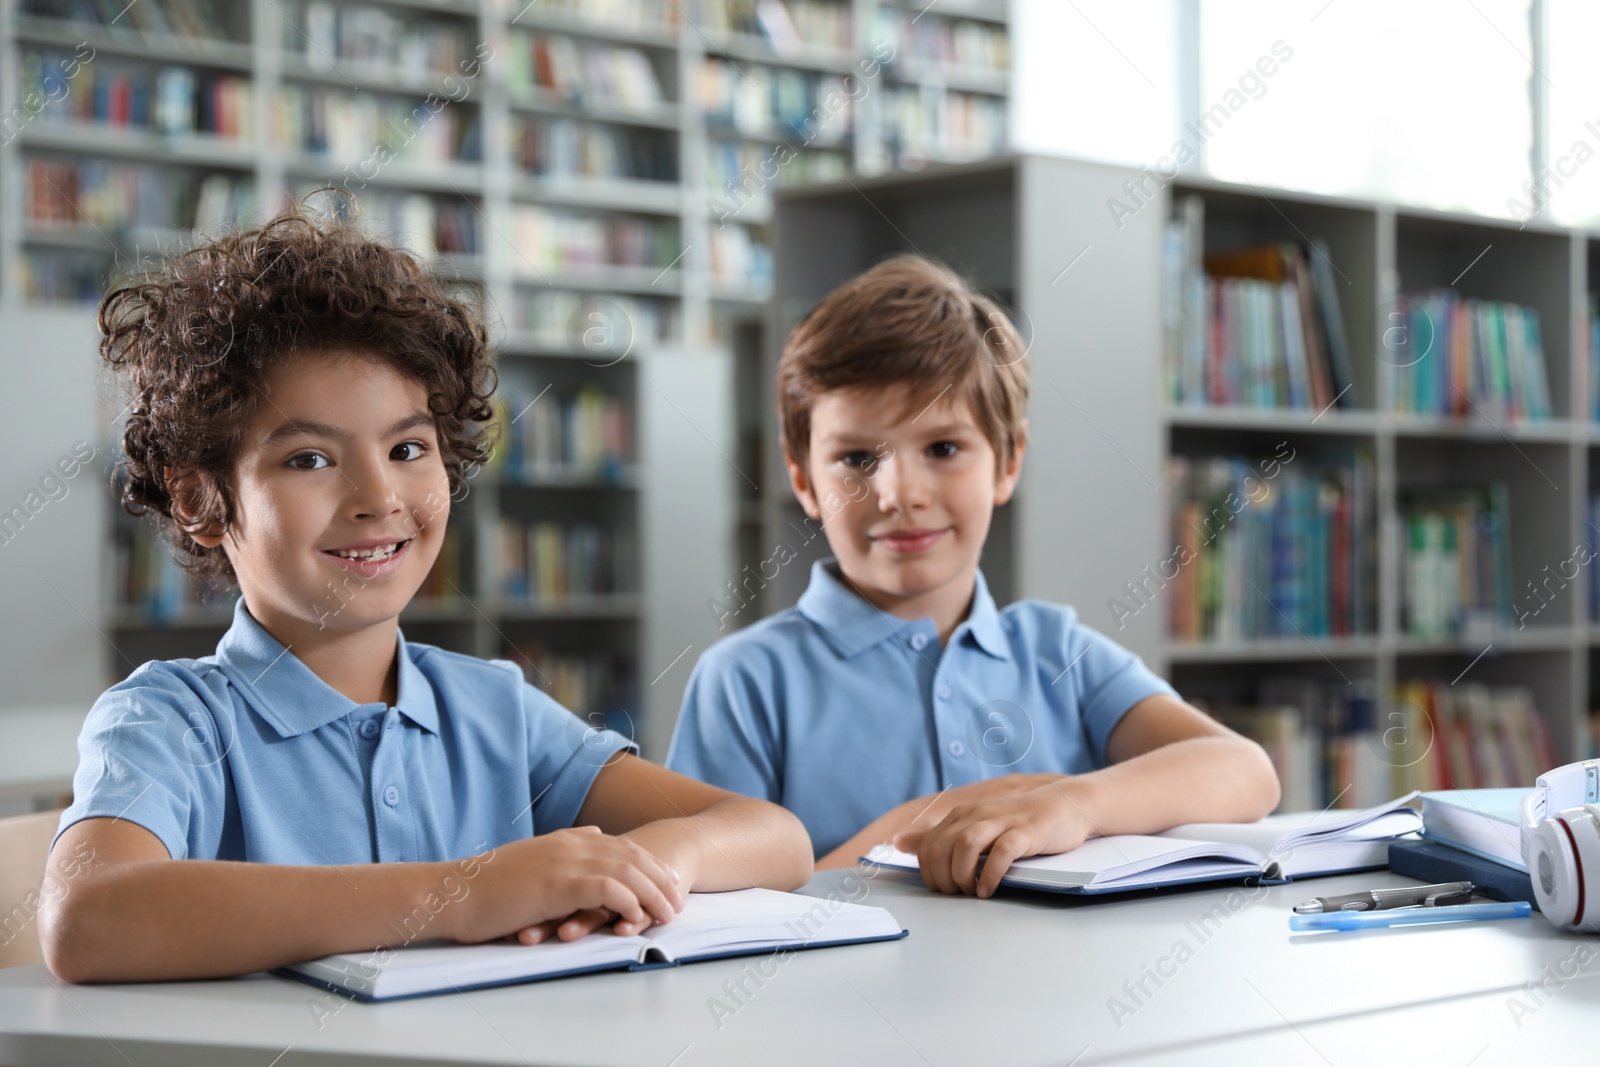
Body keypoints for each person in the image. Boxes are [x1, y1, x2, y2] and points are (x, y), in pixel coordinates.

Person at [40, 205, 811, 983]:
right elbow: (87, 917)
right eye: (308, 459)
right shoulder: (171, 720)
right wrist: (456, 896)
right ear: (203, 501)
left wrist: (652, 858)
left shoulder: (495, 710)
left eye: (408, 447)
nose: (379, 496)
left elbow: (774, 835)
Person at [667, 255, 1279, 898]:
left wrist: (1074, 806)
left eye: (943, 448)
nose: (900, 492)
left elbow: (1245, 772)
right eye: (856, 457)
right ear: (804, 482)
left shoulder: (1056, 650)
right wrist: (905, 832)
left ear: (1007, 463)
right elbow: (709, 903)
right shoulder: (745, 680)